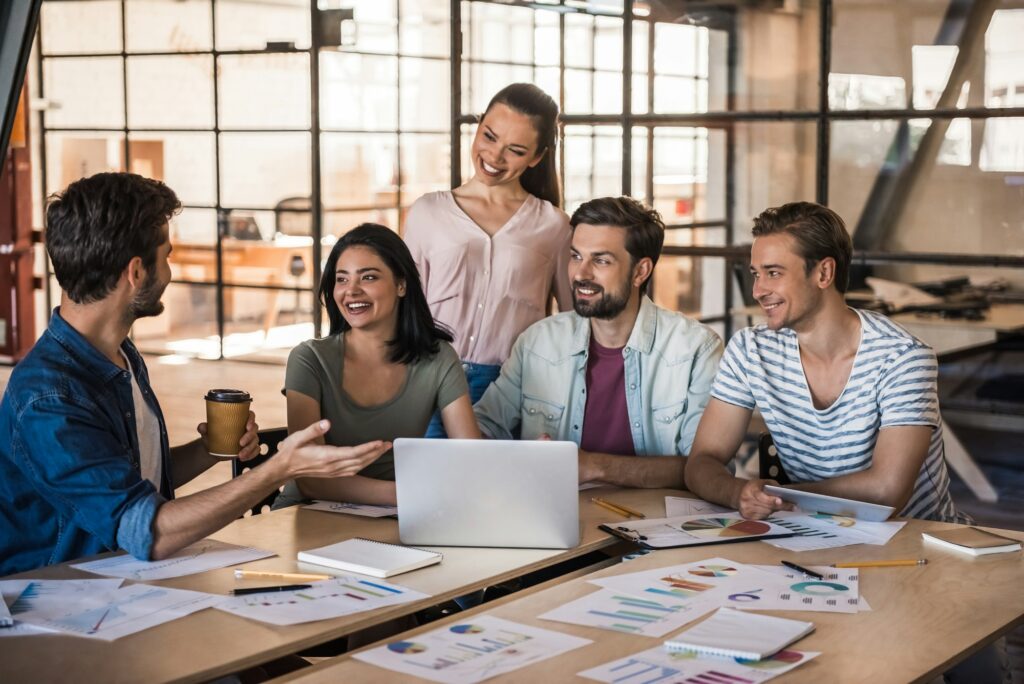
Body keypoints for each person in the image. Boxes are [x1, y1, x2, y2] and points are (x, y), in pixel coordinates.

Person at [0, 173, 391, 576]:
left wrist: (210, 450)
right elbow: (147, 531)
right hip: (61, 599)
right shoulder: (49, 396)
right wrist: (280, 468)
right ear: (135, 272)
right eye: (166, 255)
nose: (168, 272)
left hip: (123, 580)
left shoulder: (118, 354)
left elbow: (126, 476)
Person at [684, 201, 966, 522]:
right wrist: (739, 493)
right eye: (756, 274)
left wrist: (779, 497)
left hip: (918, 542)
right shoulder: (750, 349)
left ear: (824, 273)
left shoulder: (902, 358)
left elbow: (887, 491)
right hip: (810, 535)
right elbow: (702, 462)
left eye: (774, 273)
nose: (758, 290)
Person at [473, 196, 723, 487]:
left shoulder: (695, 349)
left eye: (601, 260)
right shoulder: (538, 342)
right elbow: (484, 428)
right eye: (576, 256)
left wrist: (592, 466)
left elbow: (704, 468)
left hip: (657, 520)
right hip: (553, 514)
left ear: (640, 271)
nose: (580, 273)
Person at [404, 83, 573, 437]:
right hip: (427, 379)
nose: (495, 157)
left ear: (537, 157)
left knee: (496, 491)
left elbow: (571, 322)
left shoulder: (553, 225)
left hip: (510, 388)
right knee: (425, 486)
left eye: (515, 150)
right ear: (478, 126)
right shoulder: (427, 212)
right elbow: (402, 307)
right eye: (489, 136)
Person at [278, 223, 481, 508]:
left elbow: (471, 455)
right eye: (342, 279)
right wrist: (411, 495)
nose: (351, 291)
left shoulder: (438, 357)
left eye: (368, 277)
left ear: (401, 284)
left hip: (392, 518)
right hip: (307, 516)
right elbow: (311, 478)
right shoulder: (309, 359)